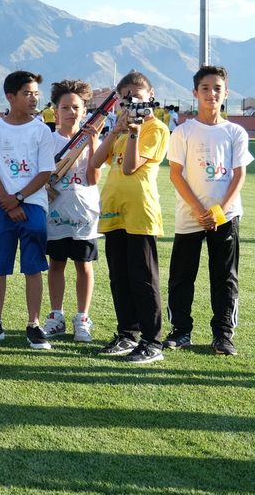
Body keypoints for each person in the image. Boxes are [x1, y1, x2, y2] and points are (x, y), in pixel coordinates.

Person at [165, 65, 250, 356]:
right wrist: (199, 209)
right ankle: (181, 331)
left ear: (226, 93)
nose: (211, 93)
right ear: (195, 93)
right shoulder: (184, 131)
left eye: (217, 88)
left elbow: (239, 174)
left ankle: (223, 335)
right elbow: (175, 174)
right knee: (182, 275)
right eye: (205, 88)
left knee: (224, 276)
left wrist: (219, 211)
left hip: (226, 215)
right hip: (190, 214)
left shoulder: (235, 132)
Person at [90, 71, 169, 364]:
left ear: (150, 96)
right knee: (119, 277)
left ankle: (152, 341)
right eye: (125, 98)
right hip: (114, 210)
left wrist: (134, 131)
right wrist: (115, 131)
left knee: (143, 278)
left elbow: (129, 167)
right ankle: (127, 333)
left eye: (136, 96)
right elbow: (95, 161)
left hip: (140, 212)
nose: (131, 102)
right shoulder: (121, 128)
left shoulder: (156, 128)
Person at [0, 71, 56, 350]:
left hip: (32, 204)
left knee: (33, 267)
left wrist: (19, 198)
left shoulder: (42, 130)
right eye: (27, 93)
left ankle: (33, 324)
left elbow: (45, 171)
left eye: (36, 94)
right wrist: (7, 201)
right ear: (10, 97)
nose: (34, 99)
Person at [41, 80, 103, 343]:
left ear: (84, 111)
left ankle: (82, 319)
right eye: (65, 107)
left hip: (84, 214)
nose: (71, 112)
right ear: (55, 112)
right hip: (55, 213)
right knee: (56, 264)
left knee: (84, 265)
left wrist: (93, 143)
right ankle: (56, 316)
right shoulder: (48, 141)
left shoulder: (92, 141)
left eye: (76, 107)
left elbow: (93, 179)